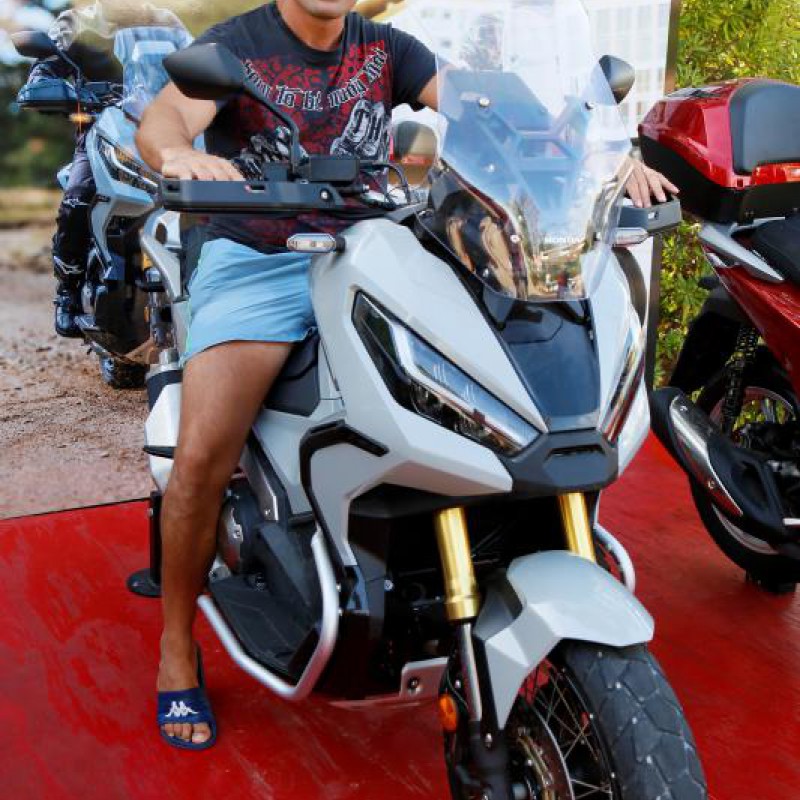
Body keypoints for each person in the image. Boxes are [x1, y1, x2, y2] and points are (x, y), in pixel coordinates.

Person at [136, 0, 677, 749]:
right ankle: (176, 645)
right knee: (202, 456)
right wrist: (179, 155)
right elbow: (164, 120)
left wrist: (599, 153)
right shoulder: (238, 44)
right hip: (260, 253)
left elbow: (489, 109)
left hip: (371, 245)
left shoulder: (388, 49)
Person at [23, 1, 181, 337]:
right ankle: (68, 291)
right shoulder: (76, 22)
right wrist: (46, 83)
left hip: (168, 132)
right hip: (105, 130)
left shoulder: (167, 21)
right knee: (78, 198)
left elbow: (196, 69)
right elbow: (45, 68)